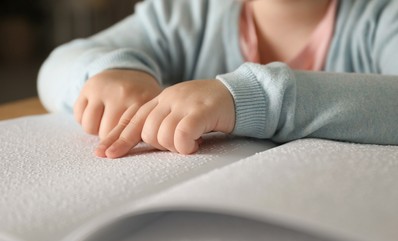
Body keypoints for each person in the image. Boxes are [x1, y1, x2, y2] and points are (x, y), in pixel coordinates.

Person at [38, 0, 398, 158]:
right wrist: (112, 72)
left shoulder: (383, 16)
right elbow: (55, 68)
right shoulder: (180, 16)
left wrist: (251, 98)